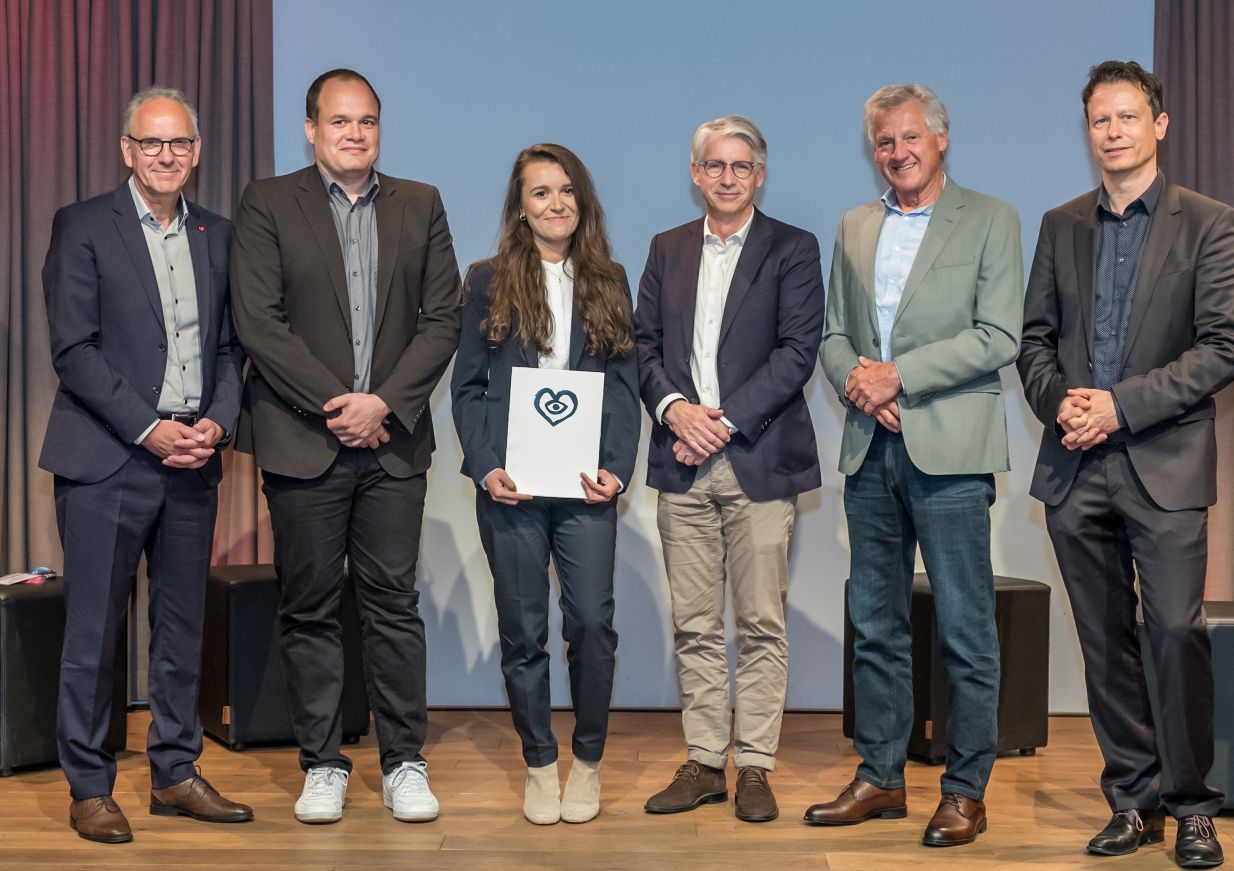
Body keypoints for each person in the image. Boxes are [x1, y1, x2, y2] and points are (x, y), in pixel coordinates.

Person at [1018, 60, 1234, 869]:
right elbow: (1034, 342)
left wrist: (1120, 405)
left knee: (1176, 630)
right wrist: (1063, 405)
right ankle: (1133, 799)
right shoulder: (1062, 224)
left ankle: (1193, 807)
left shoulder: (1207, 222)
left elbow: (1224, 347)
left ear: (1159, 124)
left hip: (1166, 463)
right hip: (1076, 467)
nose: (1112, 132)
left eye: (1126, 117)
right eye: (1099, 120)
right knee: (1104, 641)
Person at [230, 68, 461, 824]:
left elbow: (443, 320)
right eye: (339, 121)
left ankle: (404, 763)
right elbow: (259, 322)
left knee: (394, 604)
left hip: (393, 444)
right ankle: (322, 763)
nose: (354, 133)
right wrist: (340, 405)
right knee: (310, 607)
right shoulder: (268, 202)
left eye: (366, 121)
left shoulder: (420, 203)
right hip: (304, 440)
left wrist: (383, 405)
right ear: (311, 129)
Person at [805, 83, 1022, 847]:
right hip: (871, 446)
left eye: (909, 137)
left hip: (952, 450)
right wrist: (860, 384)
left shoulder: (991, 218)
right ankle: (881, 776)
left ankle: (965, 790)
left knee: (965, 626)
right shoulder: (854, 224)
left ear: (941, 138)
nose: (897, 152)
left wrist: (899, 377)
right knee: (875, 623)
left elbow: (999, 335)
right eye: (884, 142)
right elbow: (834, 335)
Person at [40, 86, 252, 843]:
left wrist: (217, 422)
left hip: (194, 460)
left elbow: (231, 346)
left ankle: (175, 773)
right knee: (94, 633)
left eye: (180, 143)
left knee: (181, 627)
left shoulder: (218, 233)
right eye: (152, 142)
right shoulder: (83, 225)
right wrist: (149, 428)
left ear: (197, 152)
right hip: (108, 459)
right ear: (127, 149)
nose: (167, 155)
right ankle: (90, 787)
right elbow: (73, 349)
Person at [634, 115, 824, 823]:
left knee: (760, 623)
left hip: (758, 460)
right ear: (695, 173)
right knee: (695, 624)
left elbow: (796, 353)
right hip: (681, 462)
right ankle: (706, 761)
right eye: (714, 165)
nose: (728, 177)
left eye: (741, 166)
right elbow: (642, 345)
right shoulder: (667, 248)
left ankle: (756, 766)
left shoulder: (793, 248)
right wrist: (676, 410)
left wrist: (719, 424)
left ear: (760, 175)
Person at [451, 144, 639, 825]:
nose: (556, 203)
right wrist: (485, 465)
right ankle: (538, 763)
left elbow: (624, 386)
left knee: (590, 623)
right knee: (524, 630)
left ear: (581, 201)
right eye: (540, 192)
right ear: (520, 207)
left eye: (566, 190)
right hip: (512, 487)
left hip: (587, 488)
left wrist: (617, 467)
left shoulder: (609, 279)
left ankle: (587, 762)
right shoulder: (487, 280)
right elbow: (468, 385)